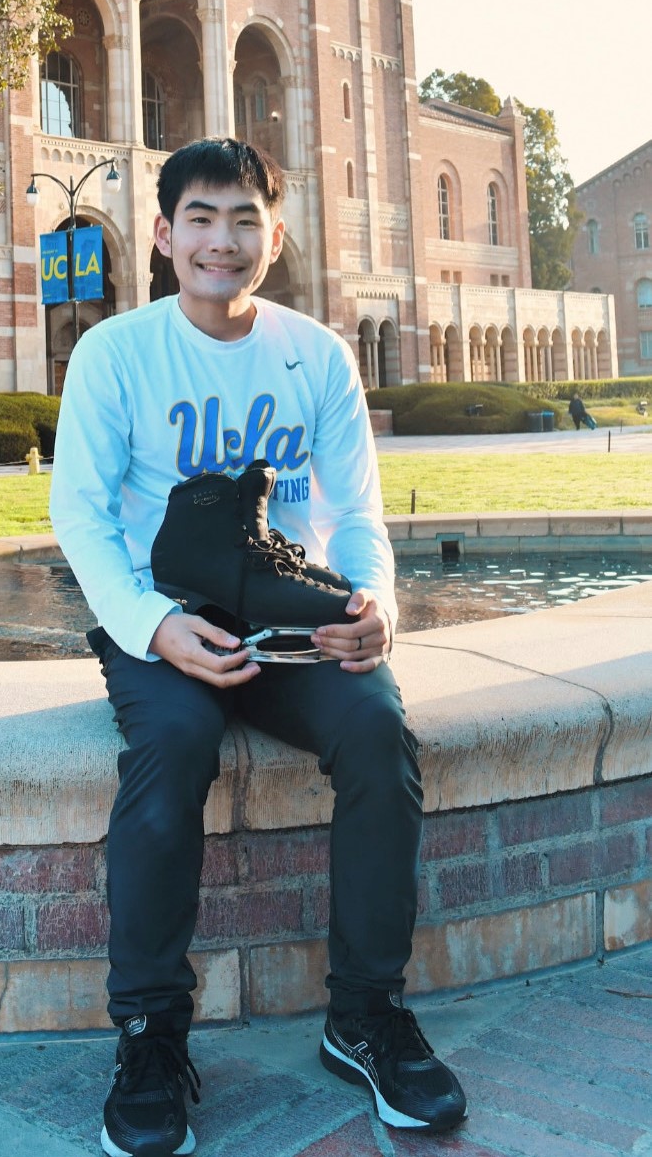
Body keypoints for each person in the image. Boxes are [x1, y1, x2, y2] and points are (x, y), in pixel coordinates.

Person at [50, 138, 467, 1156]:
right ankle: (151, 1030)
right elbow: (81, 514)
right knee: (173, 749)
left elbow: (353, 509)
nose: (221, 241)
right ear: (162, 235)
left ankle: (365, 1015)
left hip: (291, 618)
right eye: (200, 218)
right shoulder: (115, 353)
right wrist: (150, 626)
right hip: (165, 617)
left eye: (244, 220)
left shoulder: (313, 355)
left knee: (377, 735)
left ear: (273, 239)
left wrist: (373, 601)